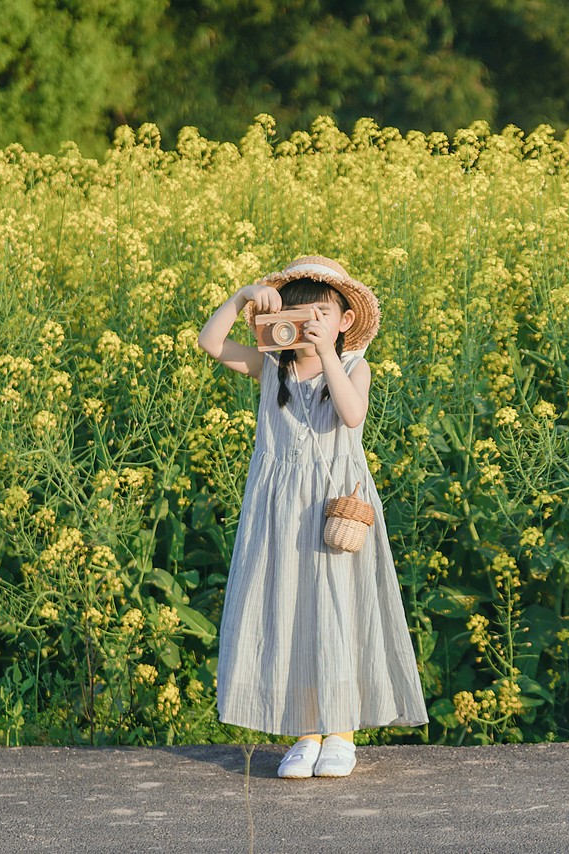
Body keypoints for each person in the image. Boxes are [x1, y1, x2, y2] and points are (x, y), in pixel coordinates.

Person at [197, 255, 428, 779]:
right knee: (291, 612)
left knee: (339, 611)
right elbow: (210, 343)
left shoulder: (354, 365)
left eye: (321, 314)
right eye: (299, 314)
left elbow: (352, 414)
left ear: (345, 321)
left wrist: (326, 353)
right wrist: (242, 298)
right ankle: (305, 731)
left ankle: (341, 732)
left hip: (334, 507)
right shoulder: (270, 367)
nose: (310, 324)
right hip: (280, 509)